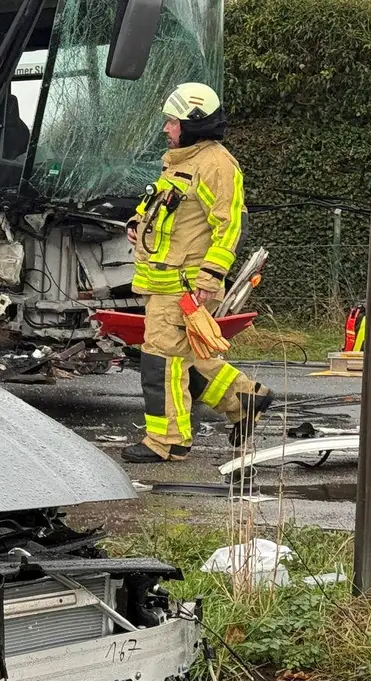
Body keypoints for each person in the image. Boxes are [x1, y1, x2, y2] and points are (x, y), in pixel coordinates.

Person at [122, 82, 272, 464]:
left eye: (172, 122)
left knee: (161, 361)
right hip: (166, 283)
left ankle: (168, 442)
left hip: (185, 284)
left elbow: (229, 227)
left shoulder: (216, 165)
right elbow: (165, 211)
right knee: (189, 361)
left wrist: (209, 278)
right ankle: (245, 399)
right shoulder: (181, 163)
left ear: (192, 125)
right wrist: (137, 222)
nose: (166, 129)